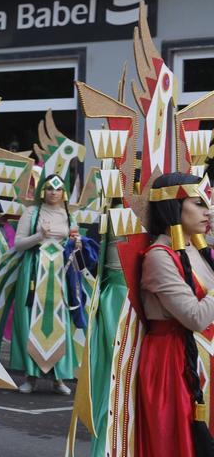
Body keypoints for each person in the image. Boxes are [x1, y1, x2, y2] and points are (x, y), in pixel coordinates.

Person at [137, 172, 214, 457]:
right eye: (199, 203)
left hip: (203, 359)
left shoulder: (198, 248)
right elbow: (194, 317)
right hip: (174, 365)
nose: (209, 211)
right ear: (173, 206)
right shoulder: (158, 256)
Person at [9, 174, 93, 395]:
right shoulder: (31, 212)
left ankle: (59, 378)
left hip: (60, 274)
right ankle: (31, 377)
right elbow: (18, 244)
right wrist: (39, 236)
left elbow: (75, 244)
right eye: (49, 188)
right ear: (42, 191)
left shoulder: (69, 216)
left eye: (58, 188)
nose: (53, 192)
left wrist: (76, 244)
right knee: (31, 321)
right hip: (34, 273)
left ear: (63, 192)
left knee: (60, 321)